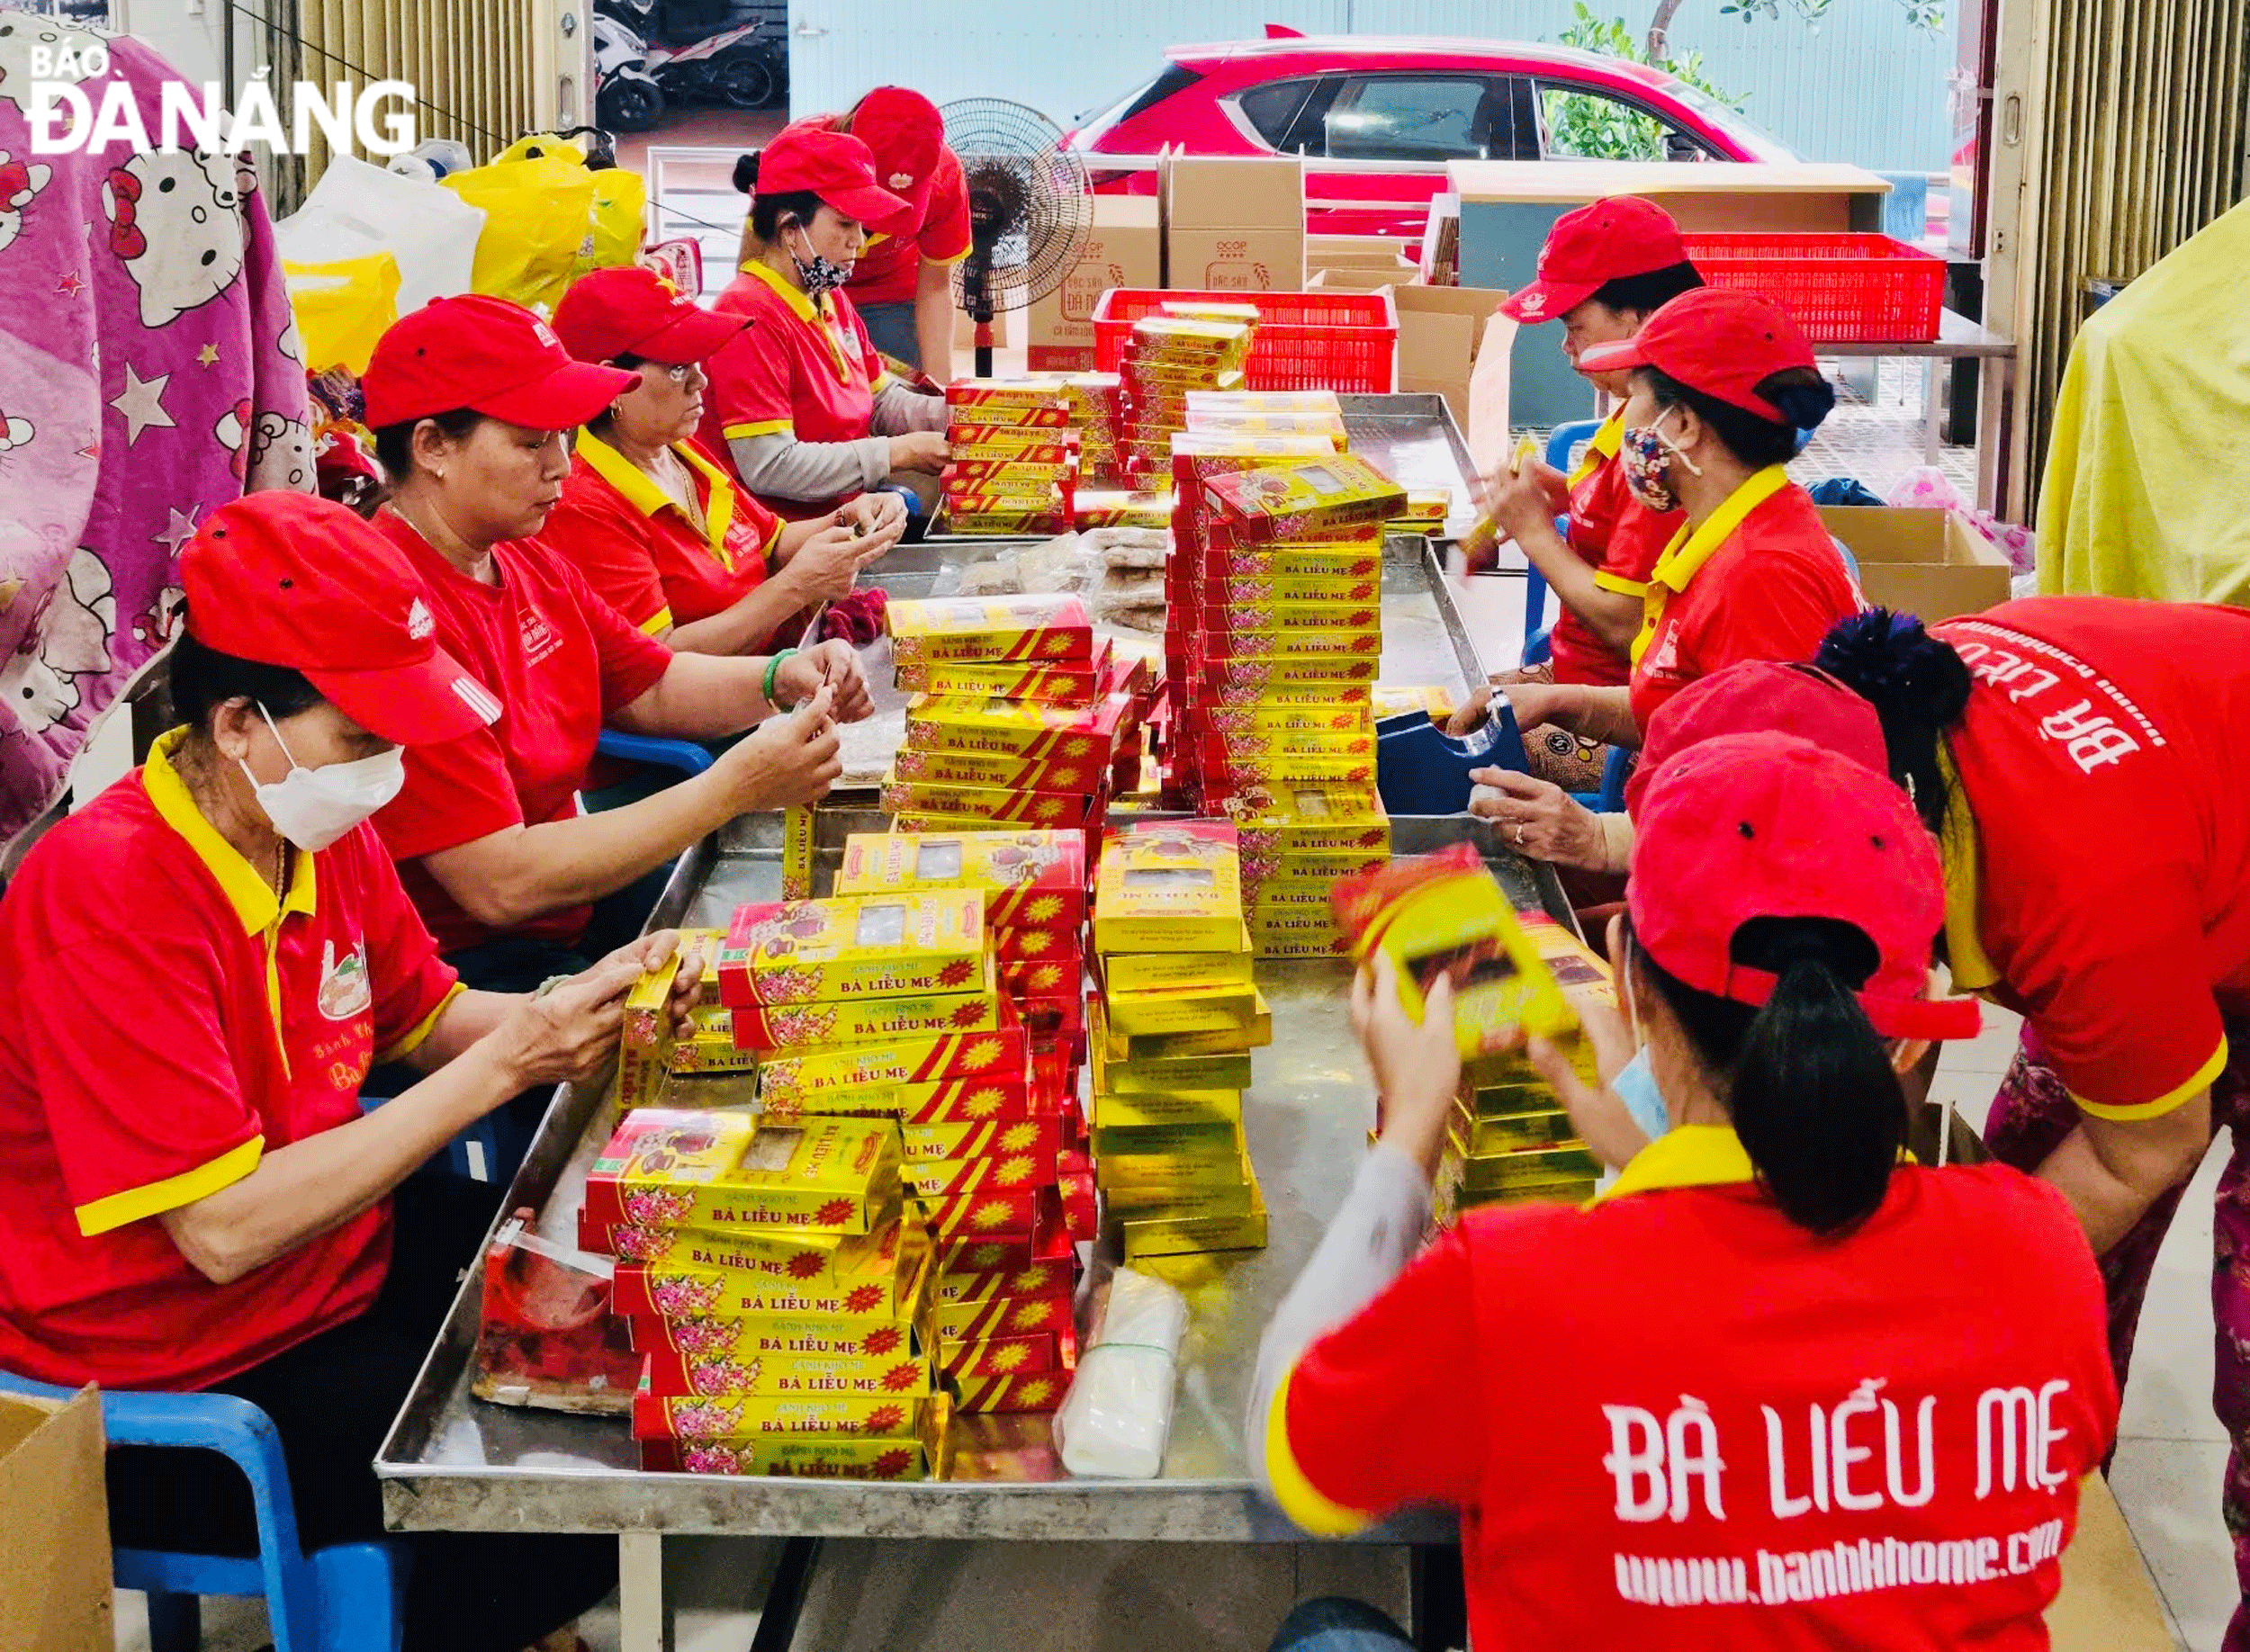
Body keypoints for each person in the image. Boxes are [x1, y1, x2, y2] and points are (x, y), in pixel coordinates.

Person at [0, 493, 709, 1652]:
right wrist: (502, 1071)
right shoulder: (110, 893)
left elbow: (426, 1020)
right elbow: (220, 1231)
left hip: (330, 1265)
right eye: (362, 739)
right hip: (170, 1375)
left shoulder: (314, 832)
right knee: (551, 1467)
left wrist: (583, 1006)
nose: (387, 770)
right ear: (238, 723)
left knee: (617, 1296)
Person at [1250, 731, 2117, 1649]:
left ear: (1625, 973)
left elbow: (1293, 1460)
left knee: (1328, 1631)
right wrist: (1642, 1152)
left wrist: (1413, 1131)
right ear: (1910, 1037)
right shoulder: (2039, 1250)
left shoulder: (1514, 1288)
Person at [1567, 600, 2250, 1641]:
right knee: (2012, 1185)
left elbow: (2151, 1142)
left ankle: (1992, 1503)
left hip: (2150, 870)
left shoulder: (2077, 897)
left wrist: (1886, 1329)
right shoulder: (1875, 735)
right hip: (2179, 844)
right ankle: (2015, 1487)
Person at [357, 293, 872, 996]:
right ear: (433, 447)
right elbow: (498, 885)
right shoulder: (387, 613)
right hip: (464, 974)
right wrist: (728, 790)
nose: (563, 468)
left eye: (565, 438)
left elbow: (650, 685)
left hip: (573, 910)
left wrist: (784, 674)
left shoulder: (527, 559)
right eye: (532, 442)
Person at [1454, 287, 1858, 842]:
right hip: (1669, 833)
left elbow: (1771, 822)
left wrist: (1598, 840)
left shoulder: (1762, 579)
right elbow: (1691, 709)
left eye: (1635, 404)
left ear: (1685, 426)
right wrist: (1561, 701)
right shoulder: (1718, 531)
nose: (1624, 431)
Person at [544, 265, 905, 656]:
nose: (700, 382)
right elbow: (657, 662)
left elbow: (773, 540)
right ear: (611, 384)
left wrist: (849, 519)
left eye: (698, 363)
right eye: (678, 367)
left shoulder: (683, 452)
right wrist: (795, 588)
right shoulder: (584, 508)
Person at [1484, 198, 1702, 690]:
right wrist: (1561, 492)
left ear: (1637, 320)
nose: (1566, 344)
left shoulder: (1667, 446)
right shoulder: (1639, 405)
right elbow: (1618, 515)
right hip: (1577, 670)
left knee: (1445, 740)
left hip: (1620, 703)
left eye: (1574, 325)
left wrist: (1534, 533)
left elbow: (1627, 627)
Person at [703, 124, 950, 523]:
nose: (859, 241)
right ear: (790, 228)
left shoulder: (830, 300)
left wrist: (970, 414)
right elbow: (770, 465)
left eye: (863, 227)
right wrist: (896, 453)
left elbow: (881, 401)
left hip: (840, 519)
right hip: (774, 540)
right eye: (844, 224)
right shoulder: (747, 315)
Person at [798, 86, 970, 376]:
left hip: (890, 292)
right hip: (806, 286)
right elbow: (759, 265)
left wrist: (940, 392)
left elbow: (936, 288)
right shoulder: (800, 158)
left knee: (904, 398)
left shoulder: (946, 177)